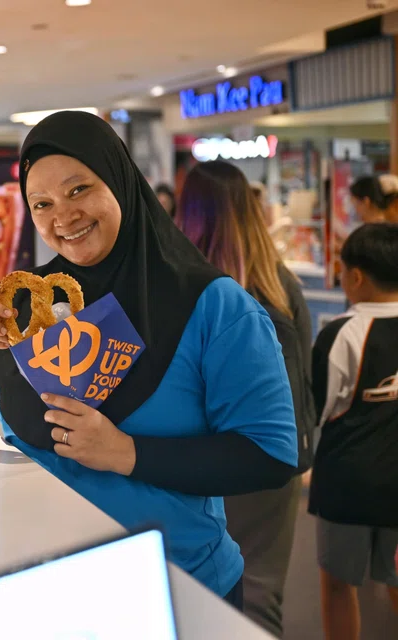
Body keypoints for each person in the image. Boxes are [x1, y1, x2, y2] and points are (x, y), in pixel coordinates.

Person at [0, 111, 298, 609]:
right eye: (41, 203)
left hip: (177, 589)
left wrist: (126, 453)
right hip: (43, 588)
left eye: (78, 190)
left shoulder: (215, 306)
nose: (62, 217)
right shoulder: (21, 307)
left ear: (118, 181)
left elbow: (270, 455)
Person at [177, 161, 314, 637]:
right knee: (260, 593)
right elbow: (304, 377)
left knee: (199, 592)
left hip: (201, 455)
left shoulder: (182, 285)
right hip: (275, 460)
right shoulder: (280, 284)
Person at [310, 223, 398, 640]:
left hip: (348, 485)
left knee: (338, 585)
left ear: (356, 276)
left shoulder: (341, 332)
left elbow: (319, 408)